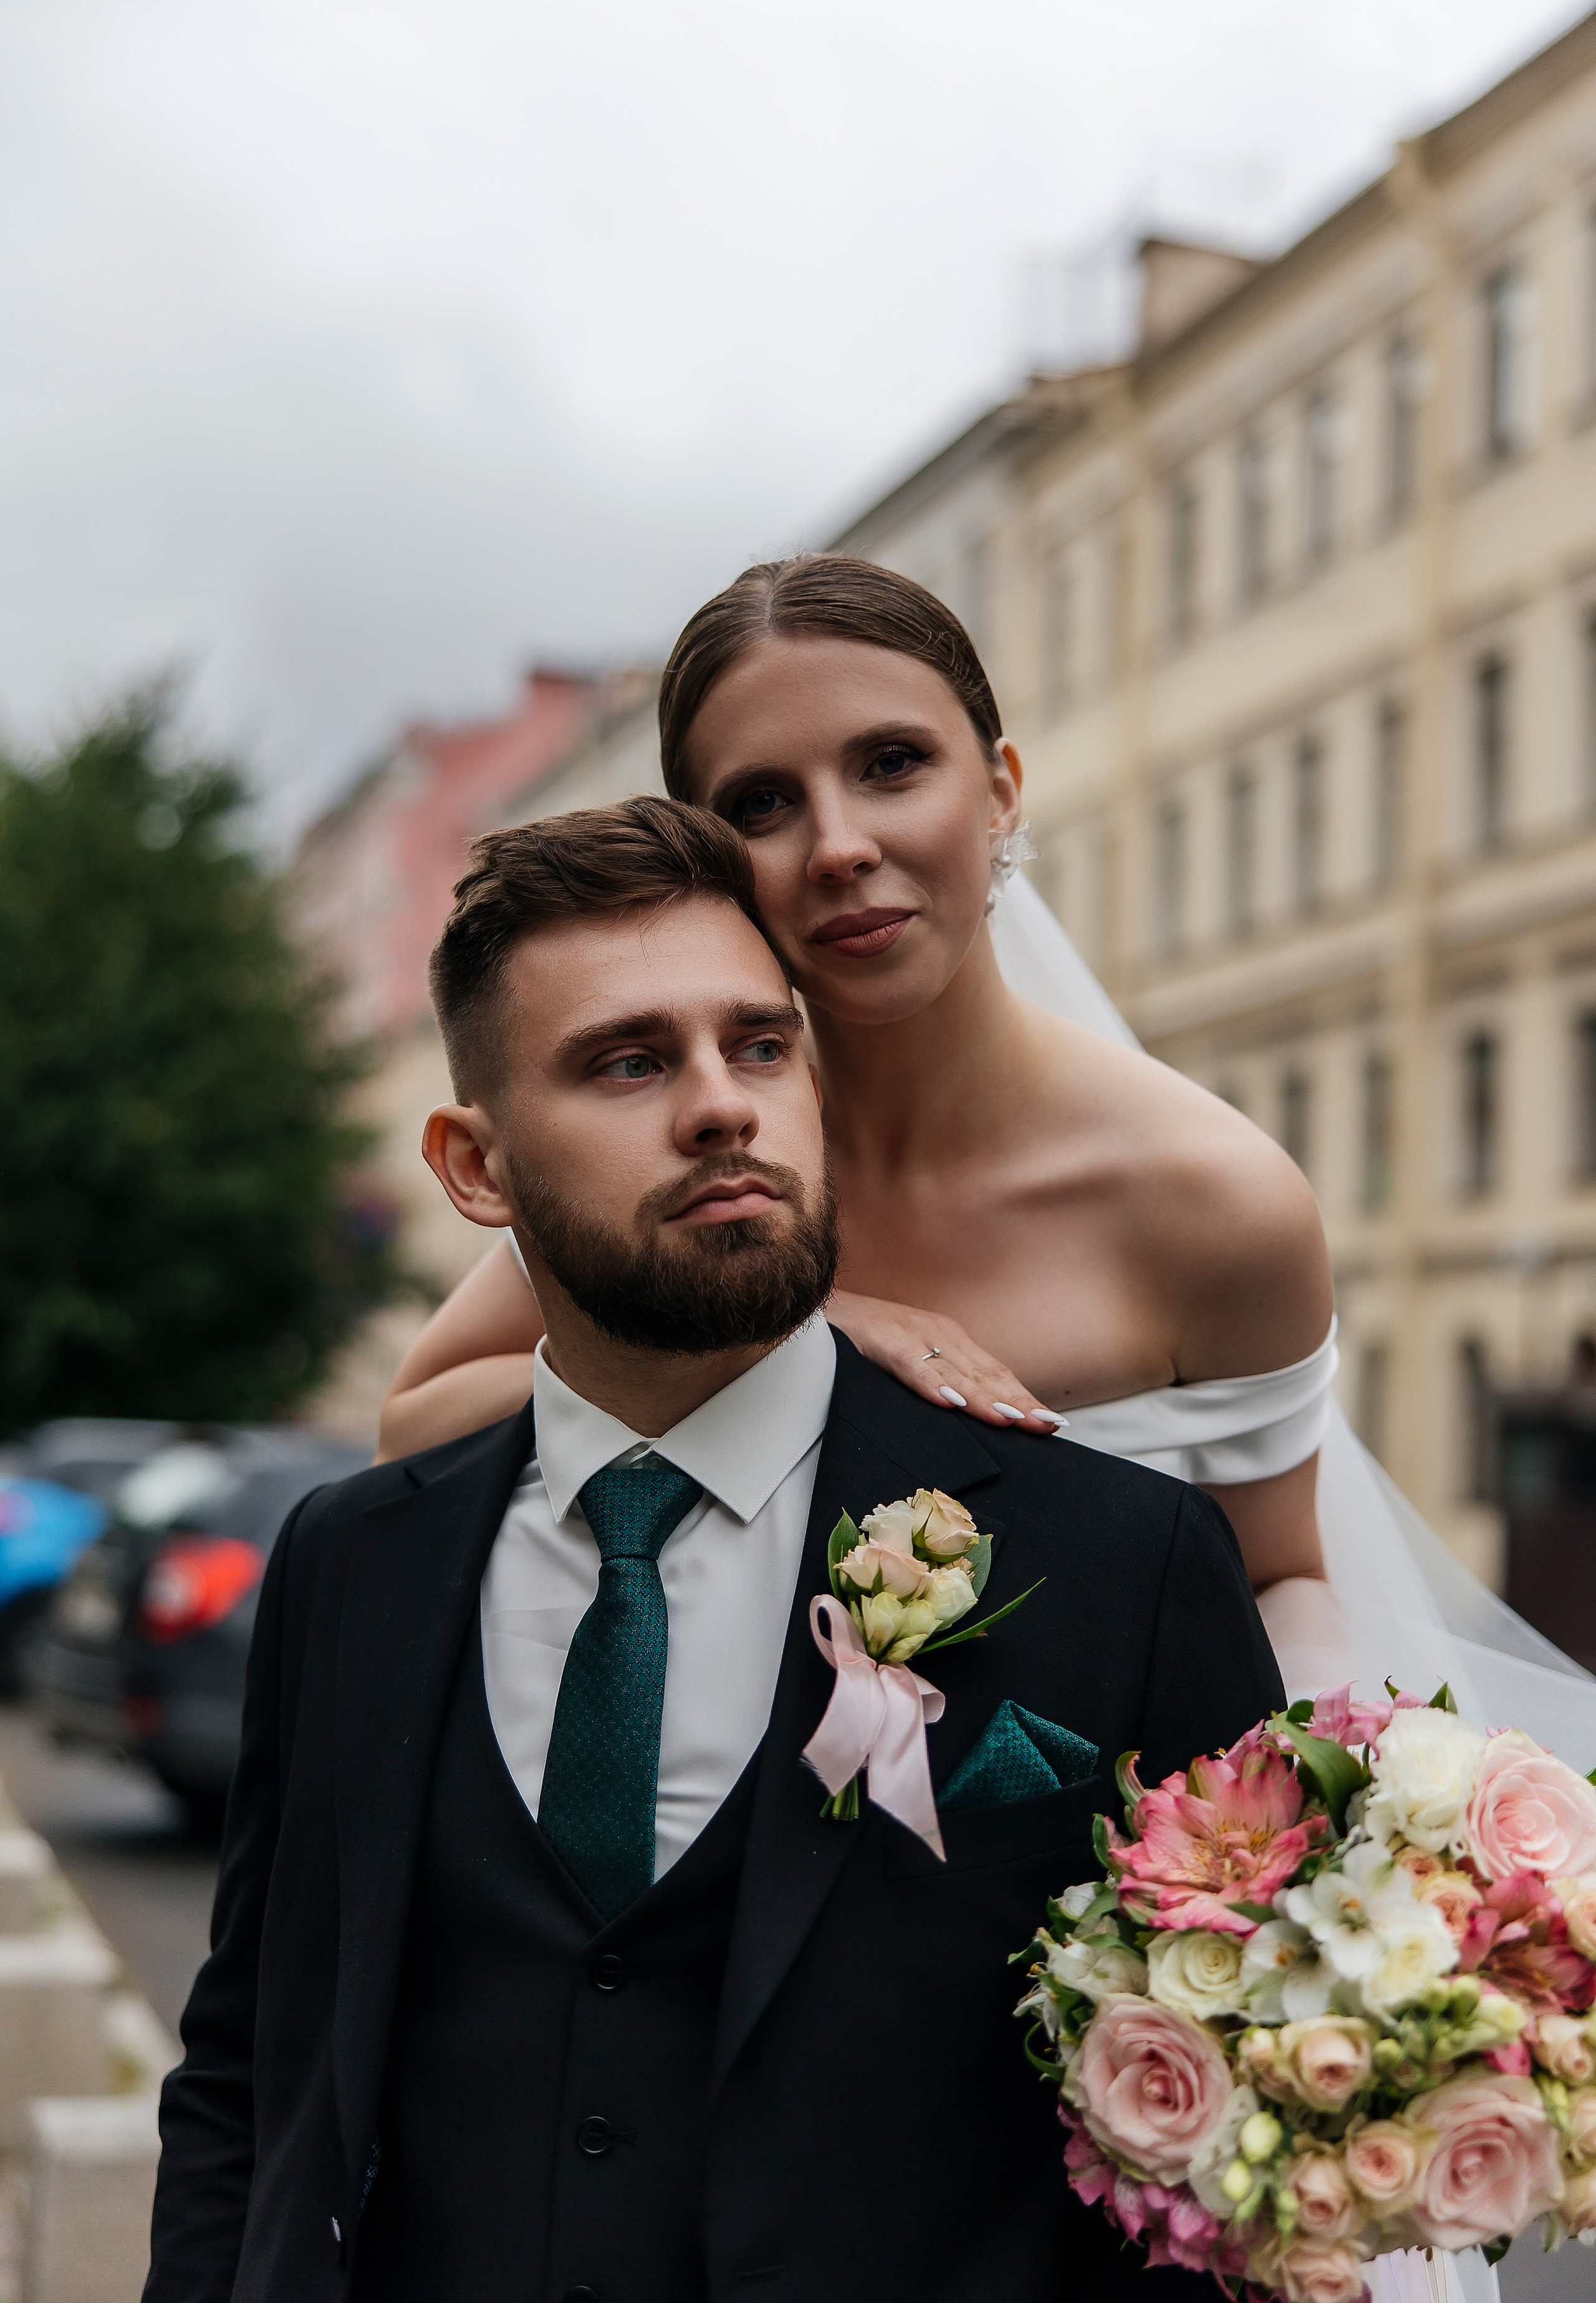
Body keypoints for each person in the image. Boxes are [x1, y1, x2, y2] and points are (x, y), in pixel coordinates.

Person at [143, 798, 1282, 2303]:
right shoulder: (351, 1564)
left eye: (757, 1047)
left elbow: (1231, 2159)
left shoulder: (1119, 1565)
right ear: (473, 1169)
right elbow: (245, 2068)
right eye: (628, 1062)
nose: (718, 1106)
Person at [381, 558, 1596, 1777]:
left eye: (891, 765)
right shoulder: (697, 1158)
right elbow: (416, 1427)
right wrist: (804, 1333)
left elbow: (1278, 1578)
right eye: (760, 804)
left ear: (1001, 791)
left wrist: (1275, 1861)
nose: (838, 846)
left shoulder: (1210, 1202)